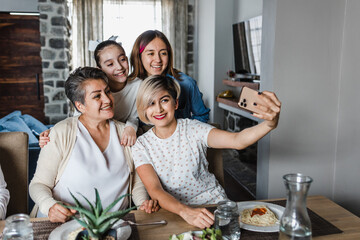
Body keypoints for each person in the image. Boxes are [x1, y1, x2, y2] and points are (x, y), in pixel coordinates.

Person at [132, 75, 281, 229]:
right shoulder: (141, 146)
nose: (158, 109)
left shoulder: (194, 128)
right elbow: (155, 190)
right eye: (151, 103)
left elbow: (237, 140)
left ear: (175, 103)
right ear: (144, 109)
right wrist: (186, 212)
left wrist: (270, 124)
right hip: (176, 212)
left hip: (214, 205)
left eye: (164, 100)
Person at [29, 67, 158, 223]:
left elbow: (136, 182)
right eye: (97, 96)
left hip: (114, 226)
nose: (107, 99)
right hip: (64, 224)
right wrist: (49, 205)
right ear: (80, 106)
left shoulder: (126, 134)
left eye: (108, 91)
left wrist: (142, 203)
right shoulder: (62, 133)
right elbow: (38, 184)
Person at [39, 39, 139, 147]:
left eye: (123, 59)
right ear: (100, 69)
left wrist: (131, 127)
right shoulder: (92, 88)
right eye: (110, 64)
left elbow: (135, 117)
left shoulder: (138, 85)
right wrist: (53, 131)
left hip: (119, 138)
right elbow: (78, 119)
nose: (119, 67)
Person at [128, 30, 210, 123]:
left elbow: (202, 116)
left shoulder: (186, 83)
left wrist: (184, 132)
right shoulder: (132, 86)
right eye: (151, 53)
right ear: (138, 56)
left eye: (163, 53)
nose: (158, 59)